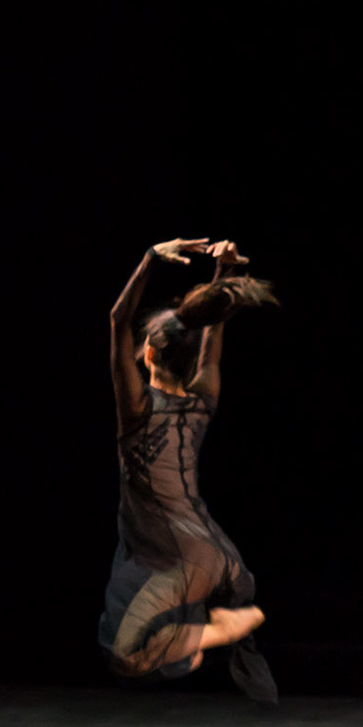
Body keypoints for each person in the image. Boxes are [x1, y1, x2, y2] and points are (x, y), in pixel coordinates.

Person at [100, 237, 280, 702]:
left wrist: (148, 260)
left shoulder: (137, 412)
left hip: (180, 560)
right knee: (157, 648)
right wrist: (223, 279)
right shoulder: (203, 398)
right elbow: (212, 333)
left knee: (127, 656)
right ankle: (213, 629)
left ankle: (228, 627)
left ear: (149, 356)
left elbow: (119, 319)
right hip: (216, 552)